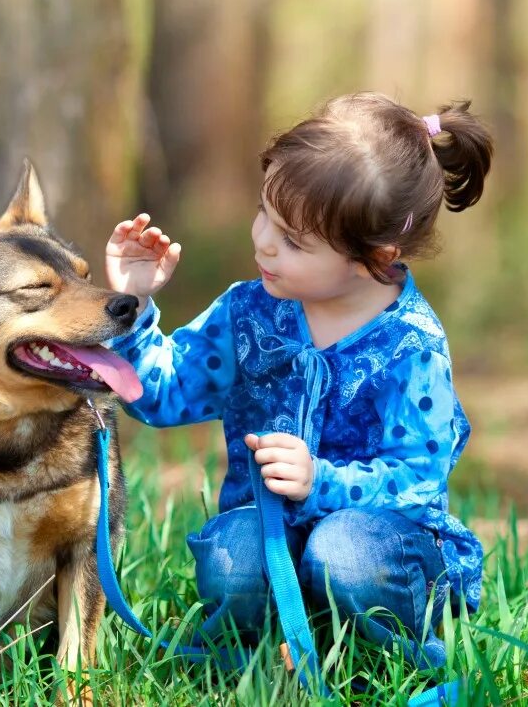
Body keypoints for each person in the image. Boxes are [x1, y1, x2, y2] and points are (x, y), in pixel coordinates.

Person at [104, 93, 492, 670]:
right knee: (233, 560)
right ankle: (262, 657)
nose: (263, 240)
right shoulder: (248, 313)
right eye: (265, 212)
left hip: (379, 546)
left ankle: (386, 661)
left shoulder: (411, 344)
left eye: (294, 240)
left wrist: (321, 481)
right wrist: (132, 302)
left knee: (345, 555)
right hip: (269, 530)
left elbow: (416, 480)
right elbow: (161, 394)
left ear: (373, 257)